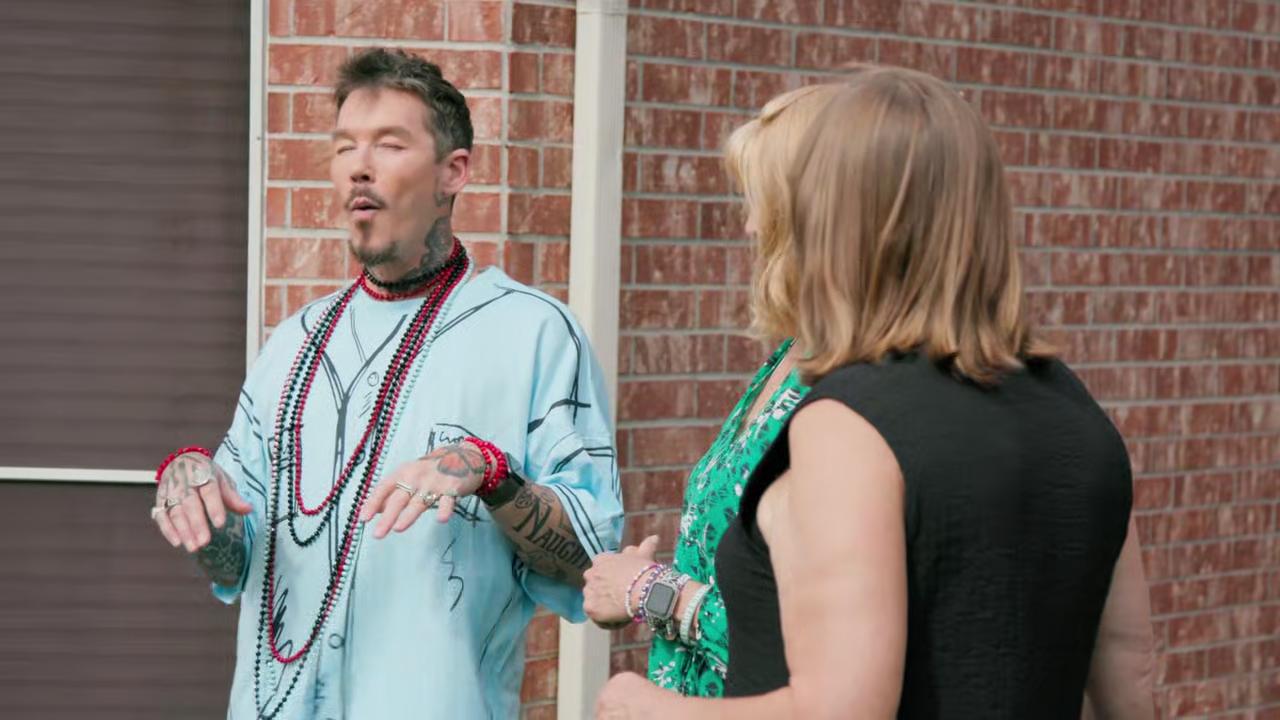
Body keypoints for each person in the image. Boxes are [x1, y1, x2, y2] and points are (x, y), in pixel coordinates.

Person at [593, 65, 1155, 719]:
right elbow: (1130, 677)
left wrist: (647, 707)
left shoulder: (849, 421)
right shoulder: (1076, 413)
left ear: (836, 221)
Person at [149, 47, 623, 719]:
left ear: (453, 172)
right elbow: (238, 561)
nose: (359, 166)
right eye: (345, 146)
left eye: (390, 144)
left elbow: (593, 565)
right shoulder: (292, 345)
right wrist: (197, 496)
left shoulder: (535, 334)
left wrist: (491, 474)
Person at [580, 84, 842, 698]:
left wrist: (649, 591)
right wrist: (640, 583)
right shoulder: (792, 352)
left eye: (761, 202)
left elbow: (818, 650)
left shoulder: (850, 387)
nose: (749, 224)